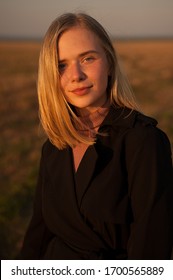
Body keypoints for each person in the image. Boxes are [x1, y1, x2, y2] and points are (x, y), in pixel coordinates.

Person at [21, 13, 173, 260]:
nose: (76, 75)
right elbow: (37, 237)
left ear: (110, 63)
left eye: (87, 58)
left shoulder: (143, 141)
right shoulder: (53, 147)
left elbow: (152, 251)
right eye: (61, 65)